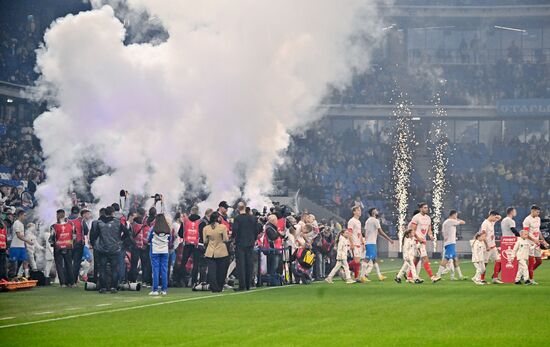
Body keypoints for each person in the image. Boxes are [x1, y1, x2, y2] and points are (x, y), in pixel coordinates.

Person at [90, 206, 132, 293]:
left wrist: (95, 243)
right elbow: (127, 233)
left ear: (105, 213)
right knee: (114, 268)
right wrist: (120, 239)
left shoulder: (99, 223)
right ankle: (113, 287)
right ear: (113, 213)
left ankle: (103, 287)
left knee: (102, 268)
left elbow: (95, 235)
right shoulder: (117, 222)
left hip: (102, 248)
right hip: (114, 248)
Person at [232, 202, 259, 291]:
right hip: (250, 243)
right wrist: (253, 239)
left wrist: (233, 238)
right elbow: (256, 230)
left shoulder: (237, 218)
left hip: (240, 243)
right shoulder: (253, 218)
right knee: (249, 264)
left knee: (241, 265)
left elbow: (235, 230)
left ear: (238, 209)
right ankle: (248, 284)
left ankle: (242, 285)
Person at [410, 203, 440, 283]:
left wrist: (430, 235)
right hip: (417, 241)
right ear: (420, 209)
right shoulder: (416, 217)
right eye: (425, 207)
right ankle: (432, 277)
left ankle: (409, 277)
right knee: (425, 258)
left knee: (416, 259)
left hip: (423, 240)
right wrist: (418, 238)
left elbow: (429, 230)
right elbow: (412, 230)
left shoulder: (428, 218)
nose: (427, 209)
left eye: (427, 207)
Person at [362, 207, 393, 282]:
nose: (377, 211)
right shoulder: (375, 220)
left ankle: (379, 275)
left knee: (374, 260)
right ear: (373, 212)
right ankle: (362, 276)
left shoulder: (367, 221)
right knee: (367, 259)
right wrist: (389, 239)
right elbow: (380, 232)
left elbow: (366, 232)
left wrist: (364, 242)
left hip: (369, 242)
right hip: (371, 243)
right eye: (376, 211)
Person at [203, 211, 229, 292]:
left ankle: (214, 287)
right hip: (221, 251)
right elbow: (225, 239)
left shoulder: (206, 228)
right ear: (218, 218)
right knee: (221, 271)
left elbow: (205, 241)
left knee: (212, 272)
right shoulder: (222, 227)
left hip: (210, 252)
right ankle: (220, 286)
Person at [49, 209, 76, 288]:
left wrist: (52, 244)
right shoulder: (71, 224)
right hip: (68, 246)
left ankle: (63, 283)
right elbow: (74, 236)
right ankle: (72, 283)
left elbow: (51, 238)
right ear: (64, 214)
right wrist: (71, 244)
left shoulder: (54, 226)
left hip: (58, 247)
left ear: (58, 215)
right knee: (69, 265)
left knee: (59, 266)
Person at [436, 210, 466, 280]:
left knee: (455, 259)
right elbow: (463, 222)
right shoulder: (450, 221)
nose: (457, 217)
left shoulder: (446, 222)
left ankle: (460, 276)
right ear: (453, 215)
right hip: (450, 243)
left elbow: (443, 233)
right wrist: (457, 220)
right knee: (446, 259)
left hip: (449, 242)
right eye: (456, 215)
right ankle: (438, 275)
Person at [523, 205, 549, 285]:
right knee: (531, 262)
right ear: (532, 211)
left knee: (539, 261)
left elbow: (538, 231)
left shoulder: (538, 219)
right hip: (529, 243)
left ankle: (525, 274)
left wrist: (543, 241)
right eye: (537, 212)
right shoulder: (527, 220)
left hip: (537, 243)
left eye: (539, 212)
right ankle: (530, 279)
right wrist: (534, 240)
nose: (538, 214)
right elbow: (526, 234)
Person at [178, 206, 202, 287]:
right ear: (198, 212)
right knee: (196, 264)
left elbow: (180, 233)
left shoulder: (185, 221)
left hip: (187, 244)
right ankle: (194, 282)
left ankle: (180, 280)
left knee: (183, 262)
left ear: (191, 211)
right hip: (196, 245)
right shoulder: (200, 221)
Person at [148, 214, 171, 296]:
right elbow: (169, 239)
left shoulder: (153, 229)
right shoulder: (168, 229)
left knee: (155, 270)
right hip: (165, 251)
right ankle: (164, 290)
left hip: (155, 250)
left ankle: (155, 290)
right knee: (164, 270)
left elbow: (149, 239)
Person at [479, 210, 501, 284]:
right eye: (495, 217)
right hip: (487, 247)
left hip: (493, 246)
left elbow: (499, 217)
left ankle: (495, 278)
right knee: (485, 263)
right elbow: (483, 236)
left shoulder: (492, 222)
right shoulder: (485, 224)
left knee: (498, 260)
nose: (496, 219)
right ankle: (482, 279)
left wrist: (497, 216)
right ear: (491, 216)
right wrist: (487, 245)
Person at [8, 209, 33, 277]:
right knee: (14, 263)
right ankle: (12, 277)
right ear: (20, 215)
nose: (25, 217)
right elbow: (18, 235)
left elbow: (22, 236)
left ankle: (27, 276)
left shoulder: (22, 224)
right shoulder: (16, 223)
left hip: (22, 246)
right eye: (24, 215)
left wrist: (25, 244)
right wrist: (27, 241)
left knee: (25, 261)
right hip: (15, 246)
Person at [129, 211, 151, 285]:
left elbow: (131, 236)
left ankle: (133, 279)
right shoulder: (144, 227)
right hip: (143, 248)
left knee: (134, 264)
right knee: (144, 264)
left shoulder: (133, 227)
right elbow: (145, 239)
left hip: (135, 247)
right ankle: (144, 280)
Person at [264, 214, 284, 286]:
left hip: (277, 249)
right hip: (273, 250)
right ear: (273, 221)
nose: (277, 222)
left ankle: (277, 280)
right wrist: (279, 233)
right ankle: (272, 281)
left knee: (278, 266)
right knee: (273, 266)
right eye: (276, 220)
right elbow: (273, 237)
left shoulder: (273, 228)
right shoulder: (269, 228)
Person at [67, 206, 84, 284]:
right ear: (78, 212)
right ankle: (73, 281)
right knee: (76, 263)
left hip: (68, 243)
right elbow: (86, 231)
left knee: (68, 262)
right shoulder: (80, 220)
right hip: (78, 243)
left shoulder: (66, 220)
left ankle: (67, 280)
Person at [347, 206, 364, 282]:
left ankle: (356, 277)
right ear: (354, 212)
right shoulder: (351, 221)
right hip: (354, 243)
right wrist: (351, 243)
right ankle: (344, 268)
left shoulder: (359, 222)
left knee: (358, 262)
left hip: (359, 243)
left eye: (360, 210)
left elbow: (359, 233)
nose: (359, 212)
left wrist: (362, 243)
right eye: (358, 210)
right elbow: (349, 233)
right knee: (356, 261)